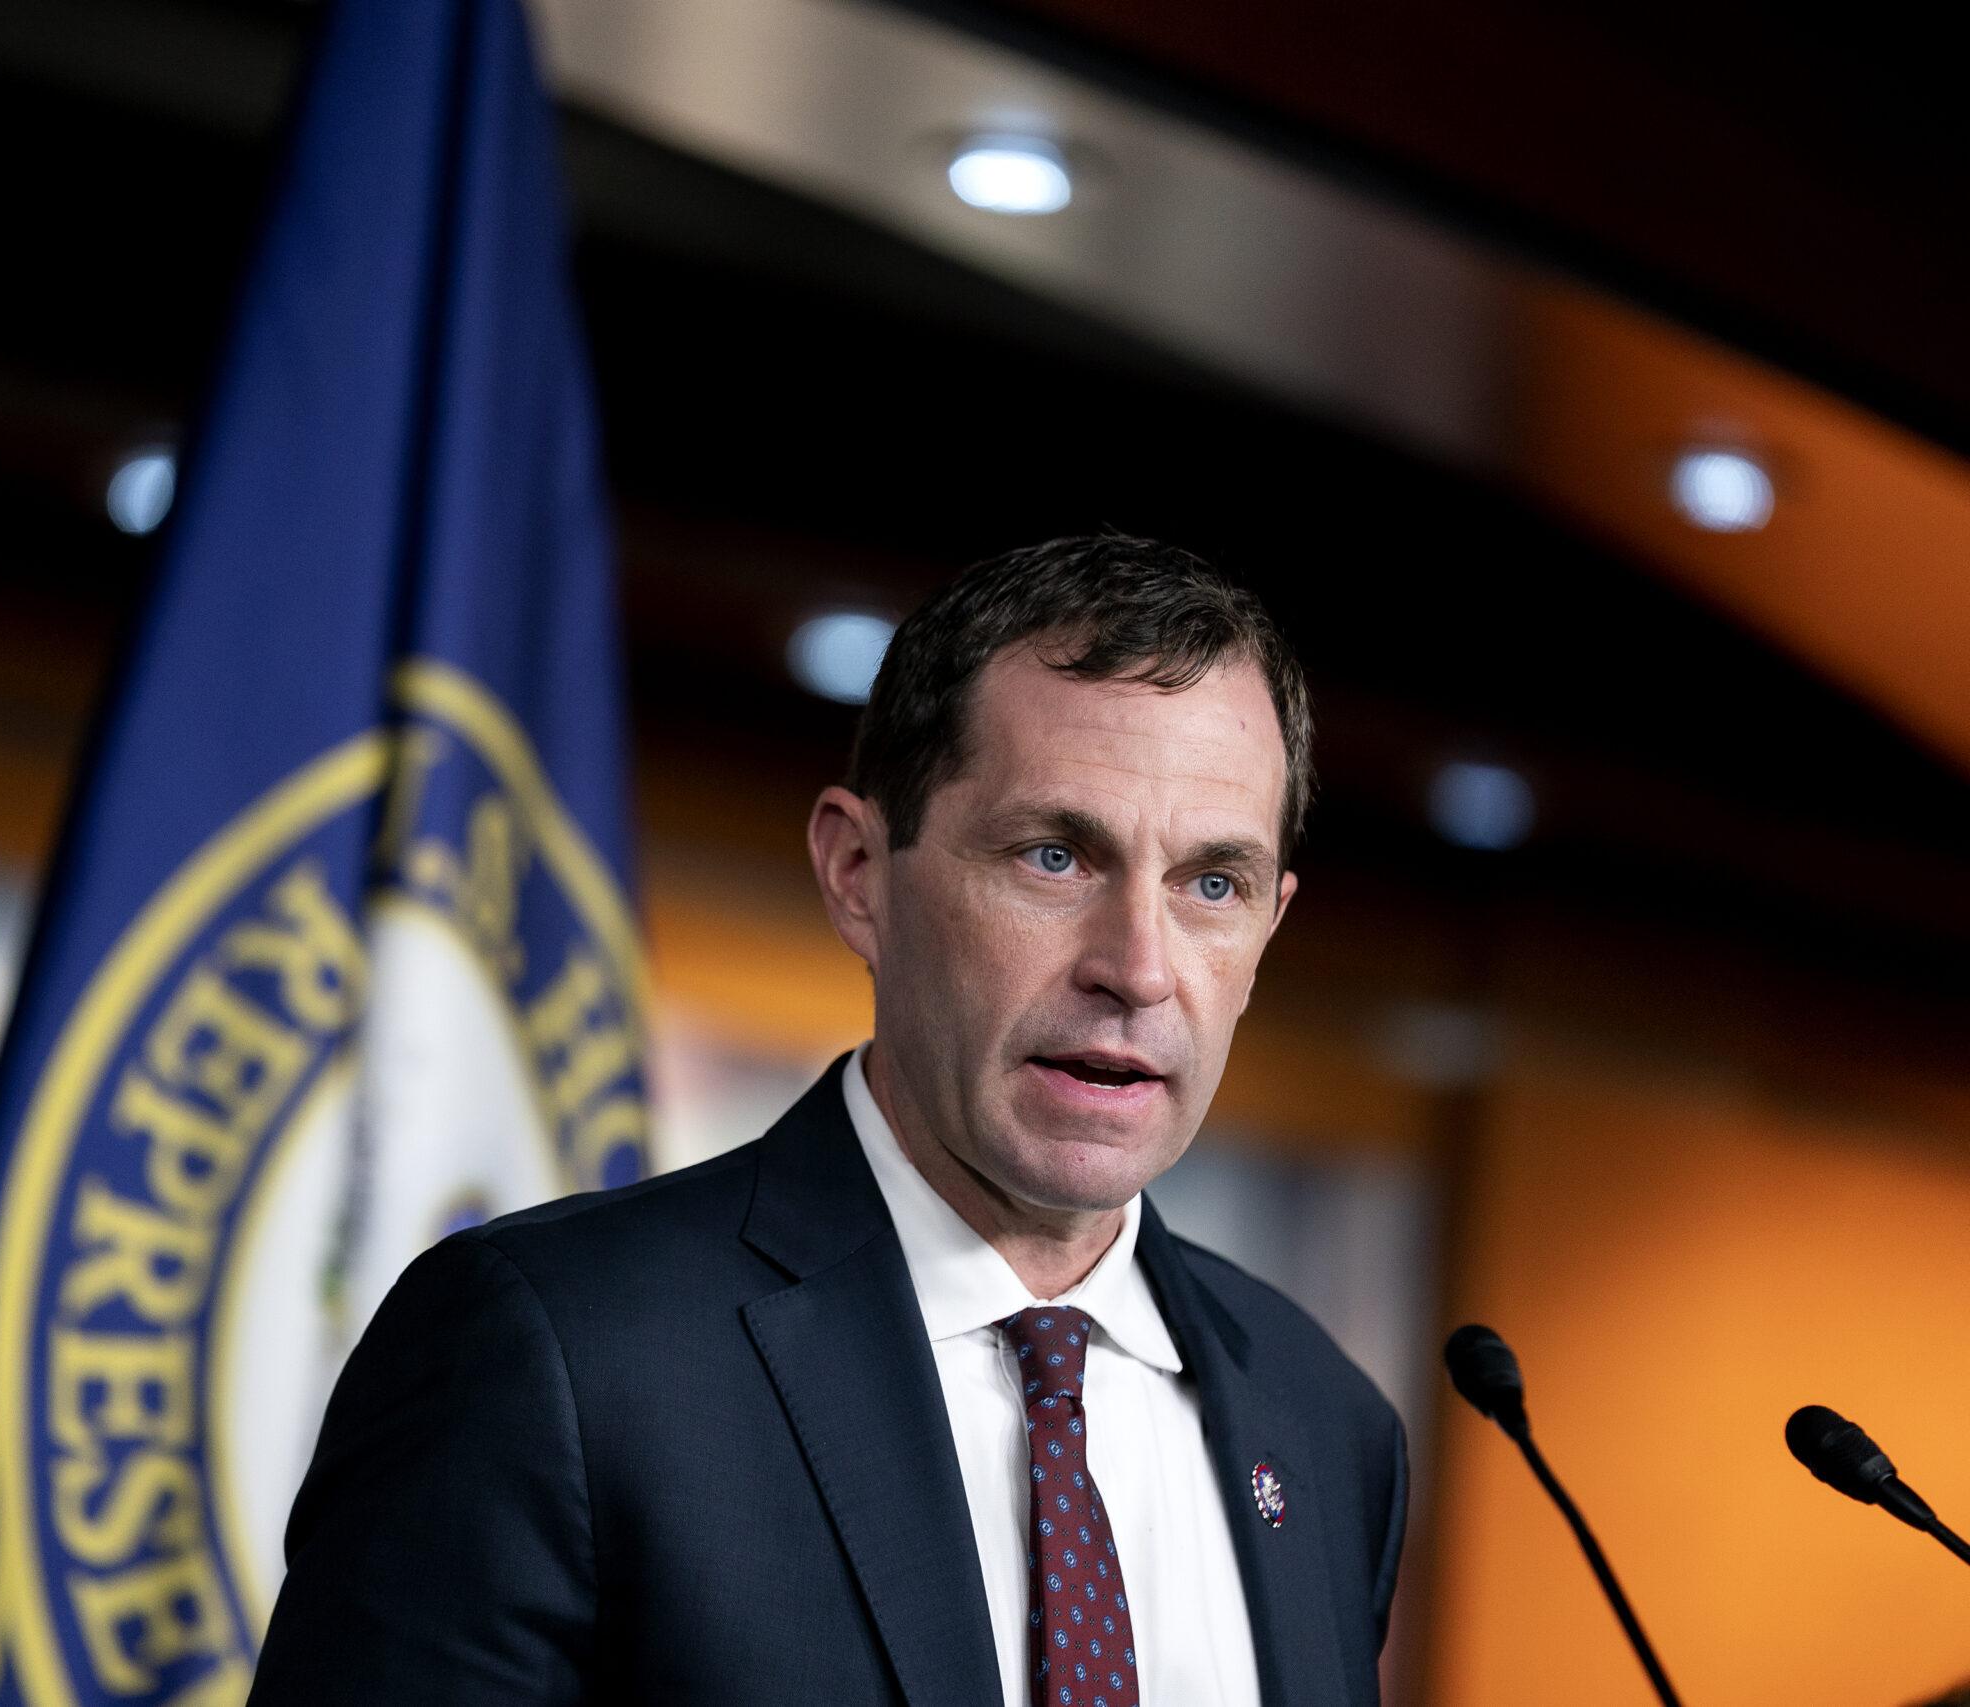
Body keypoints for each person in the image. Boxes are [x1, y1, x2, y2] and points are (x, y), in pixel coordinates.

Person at [248, 534, 1408, 1706]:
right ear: (859, 872)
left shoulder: (1326, 1426)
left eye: (1212, 884)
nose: (1139, 969)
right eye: (1054, 856)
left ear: (1267, 927)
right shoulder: (556, 1356)